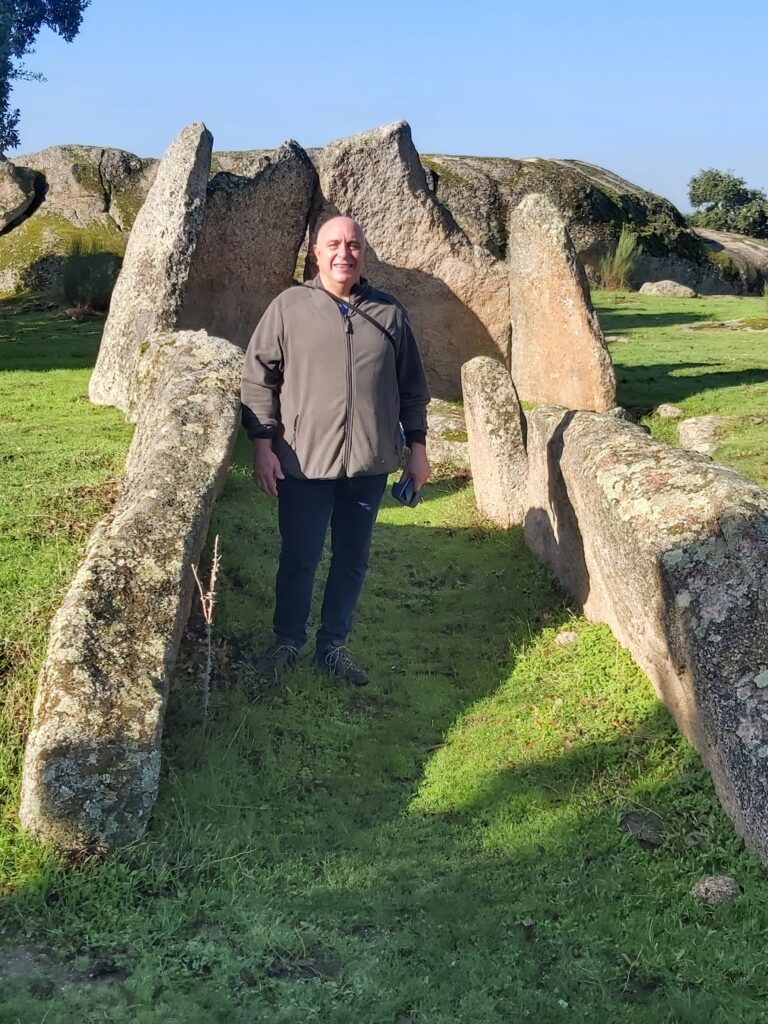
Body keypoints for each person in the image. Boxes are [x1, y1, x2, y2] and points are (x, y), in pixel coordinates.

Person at [241, 215, 431, 686]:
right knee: (300, 557)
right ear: (315, 252)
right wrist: (262, 445)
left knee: (352, 557)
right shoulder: (288, 307)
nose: (344, 252)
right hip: (303, 461)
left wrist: (418, 448)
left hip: (369, 463)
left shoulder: (389, 313)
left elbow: (412, 388)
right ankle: (287, 640)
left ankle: (333, 644)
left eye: (353, 244)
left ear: (364, 252)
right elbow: (258, 377)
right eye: (333, 244)